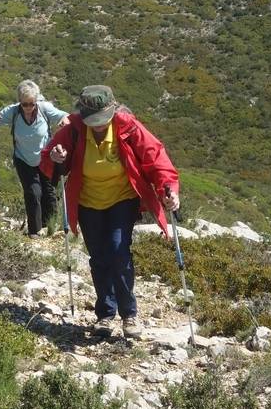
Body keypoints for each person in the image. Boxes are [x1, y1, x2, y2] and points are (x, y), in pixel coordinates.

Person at [41, 85, 180, 340]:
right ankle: (105, 314)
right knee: (98, 257)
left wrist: (168, 189)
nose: (97, 126)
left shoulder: (128, 127)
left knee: (118, 251)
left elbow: (156, 158)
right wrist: (56, 157)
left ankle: (129, 314)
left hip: (122, 199)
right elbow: (48, 159)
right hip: (87, 202)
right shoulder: (73, 128)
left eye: (102, 121)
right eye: (92, 121)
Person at [0, 80, 70, 236]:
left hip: (46, 158)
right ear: (20, 102)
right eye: (24, 104)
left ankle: (50, 227)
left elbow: (63, 115)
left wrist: (64, 120)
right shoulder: (13, 111)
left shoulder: (44, 108)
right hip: (23, 159)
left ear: (36, 101)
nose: (28, 108)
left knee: (50, 194)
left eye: (31, 104)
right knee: (33, 193)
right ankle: (35, 231)